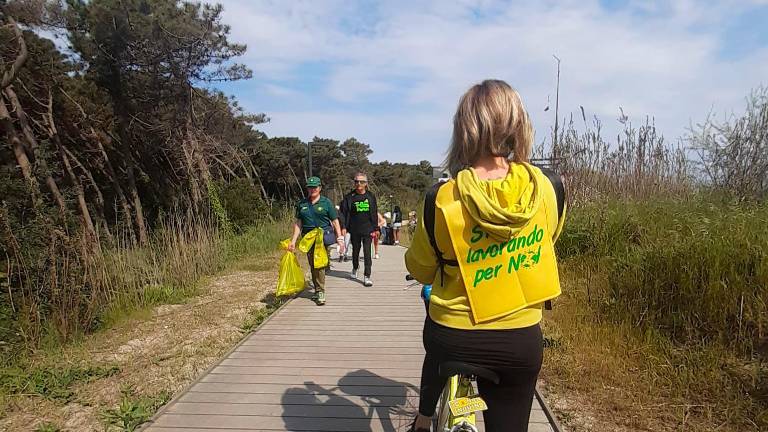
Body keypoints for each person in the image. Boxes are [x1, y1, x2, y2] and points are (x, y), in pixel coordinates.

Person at [405, 80, 566, 432]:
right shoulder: (548, 187)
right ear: (518, 124)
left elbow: (422, 269)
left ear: (463, 129)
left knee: (438, 350)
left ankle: (426, 418)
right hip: (518, 338)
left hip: (453, 335)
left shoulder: (441, 198)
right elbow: (547, 242)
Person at [288, 176, 345, 305]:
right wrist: (293, 241)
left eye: (315, 187)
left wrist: (340, 238)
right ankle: (317, 289)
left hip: (322, 238)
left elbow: (335, 221)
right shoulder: (302, 204)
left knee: (319, 264)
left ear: (320, 188)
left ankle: (320, 291)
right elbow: (298, 223)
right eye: (310, 187)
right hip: (308, 239)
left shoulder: (326, 203)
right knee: (313, 264)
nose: (312, 189)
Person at [339, 172, 378, 287]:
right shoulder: (349, 197)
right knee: (355, 251)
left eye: (361, 182)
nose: (359, 184)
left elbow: (374, 213)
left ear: (366, 183)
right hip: (354, 229)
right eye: (356, 181)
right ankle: (355, 267)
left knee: (367, 252)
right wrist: (343, 227)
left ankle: (367, 276)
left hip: (368, 229)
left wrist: (376, 228)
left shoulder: (370, 196)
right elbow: (343, 213)